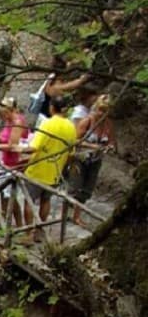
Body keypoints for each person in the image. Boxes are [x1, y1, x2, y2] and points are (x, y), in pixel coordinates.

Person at [21, 96, 77, 241]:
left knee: (29, 201)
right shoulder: (71, 127)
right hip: (55, 172)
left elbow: (34, 147)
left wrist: (18, 149)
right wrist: (63, 168)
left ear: (52, 107)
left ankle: (28, 234)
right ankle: (39, 231)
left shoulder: (47, 124)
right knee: (46, 201)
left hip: (37, 170)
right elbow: (71, 153)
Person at [68, 93, 114, 227]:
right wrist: (92, 146)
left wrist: (109, 147)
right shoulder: (87, 121)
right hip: (80, 159)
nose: (101, 113)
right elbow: (74, 140)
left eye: (105, 111)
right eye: (100, 110)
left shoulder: (108, 124)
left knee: (87, 189)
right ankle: (70, 214)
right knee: (75, 187)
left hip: (96, 161)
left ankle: (76, 215)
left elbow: (111, 141)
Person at [0, 96, 29, 230]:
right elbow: (6, 137)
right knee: (4, 194)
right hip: (6, 161)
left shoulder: (17, 122)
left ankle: (19, 225)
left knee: (10, 195)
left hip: (14, 163)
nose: (3, 117)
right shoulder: (9, 121)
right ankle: (3, 220)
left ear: (10, 110)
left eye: (4, 114)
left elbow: (12, 146)